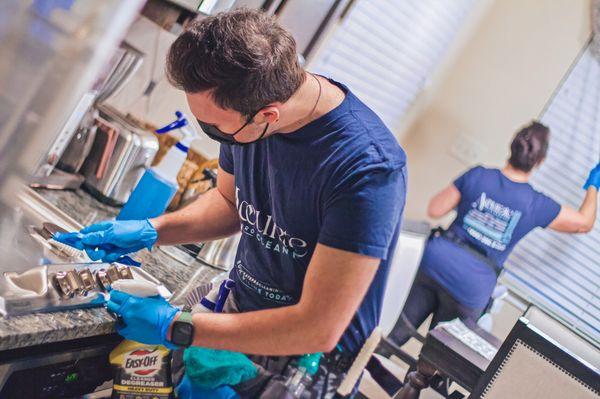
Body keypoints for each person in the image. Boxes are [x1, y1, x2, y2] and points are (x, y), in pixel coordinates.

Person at [56, 9, 407, 397]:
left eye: (215, 128)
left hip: (302, 362)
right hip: (234, 317)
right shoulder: (249, 112)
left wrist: (175, 326)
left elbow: (317, 326)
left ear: (268, 115)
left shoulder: (366, 170)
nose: (213, 136)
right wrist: (153, 230)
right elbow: (228, 201)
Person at [378, 121, 599, 356]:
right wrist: (593, 184)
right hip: (472, 286)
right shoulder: (535, 204)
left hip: (434, 263)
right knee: (437, 360)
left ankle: (353, 379)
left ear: (512, 147)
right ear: (539, 161)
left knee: (394, 335)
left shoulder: (479, 175)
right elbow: (583, 223)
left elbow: (435, 209)